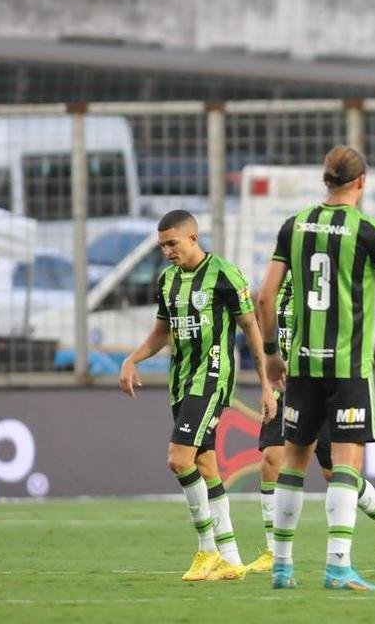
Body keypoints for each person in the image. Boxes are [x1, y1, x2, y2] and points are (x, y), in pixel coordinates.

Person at [255, 145, 375, 592]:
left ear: (325, 180)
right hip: (348, 367)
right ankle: (338, 566)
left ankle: (282, 568)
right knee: (346, 463)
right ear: (361, 182)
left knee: (292, 462)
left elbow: (264, 297)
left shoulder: (293, 225)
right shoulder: (367, 229)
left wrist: (272, 352)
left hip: (300, 366)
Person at [118, 209, 277, 582]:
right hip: (182, 381)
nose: (167, 251)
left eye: (172, 243)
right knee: (205, 465)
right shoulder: (167, 281)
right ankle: (233, 560)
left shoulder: (224, 273)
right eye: (162, 246)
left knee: (178, 458)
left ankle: (207, 549)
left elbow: (250, 327)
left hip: (212, 378)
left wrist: (266, 384)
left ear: (193, 238)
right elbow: (162, 331)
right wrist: (132, 359)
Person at [246, 274, 375, 574]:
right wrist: (264, 385)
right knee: (271, 460)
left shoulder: (325, 286)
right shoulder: (274, 288)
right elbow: (260, 335)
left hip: (318, 383)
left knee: (332, 472)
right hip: (283, 386)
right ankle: (274, 552)